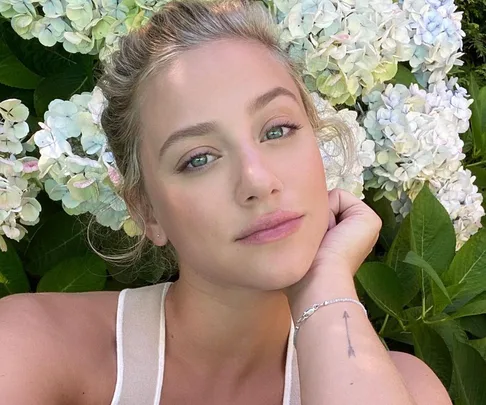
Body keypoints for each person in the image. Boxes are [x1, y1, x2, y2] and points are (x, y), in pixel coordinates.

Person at [0, 0, 453, 404]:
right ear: (146, 211)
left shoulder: (409, 388)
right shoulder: (29, 347)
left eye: (277, 130)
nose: (257, 180)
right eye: (198, 159)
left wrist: (327, 289)